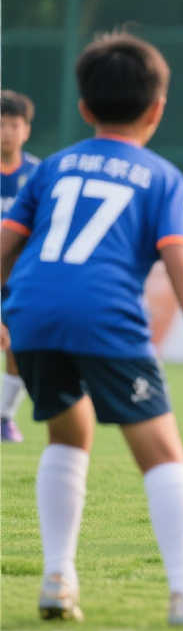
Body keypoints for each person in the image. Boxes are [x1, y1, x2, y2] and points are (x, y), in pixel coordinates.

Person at [0, 32, 183, 628]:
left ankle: (58, 576)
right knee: (162, 454)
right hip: (102, 314)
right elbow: (180, 258)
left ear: (84, 109)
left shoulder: (51, 166)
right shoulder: (160, 175)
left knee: (68, 434)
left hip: (31, 313)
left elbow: (7, 244)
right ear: (157, 109)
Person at [1, 89, 41, 442]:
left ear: (26, 129)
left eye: (14, 124)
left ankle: (3, 416)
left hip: (20, 281)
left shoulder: (39, 175)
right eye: (1, 124)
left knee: (19, 350)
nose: (7, 132)